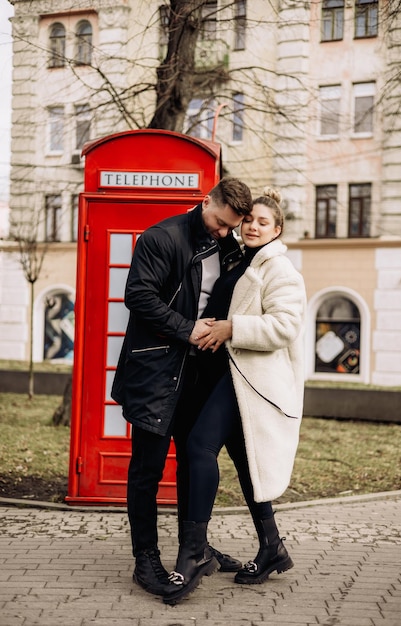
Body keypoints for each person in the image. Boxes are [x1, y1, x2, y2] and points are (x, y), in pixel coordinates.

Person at [162, 188, 307, 605]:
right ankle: (272, 545)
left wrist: (231, 328)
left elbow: (284, 326)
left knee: (198, 446)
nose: (253, 226)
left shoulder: (281, 270)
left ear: (277, 230)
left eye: (263, 221)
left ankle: (192, 554)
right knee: (247, 462)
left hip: (250, 377)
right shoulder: (240, 257)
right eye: (249, 220)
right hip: (223, 373)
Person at [111, 176, 253, 598]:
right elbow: (138, 296)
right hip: (156, 372)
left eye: (230, 226)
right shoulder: (162, 238)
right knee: (147, 471)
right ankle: (146, 559)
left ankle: (196, 548)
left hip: (198, 375)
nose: (223, 232)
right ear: (204, 200)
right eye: (218, 222)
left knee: (193, 462)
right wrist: (188, 329)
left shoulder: (226, 247)